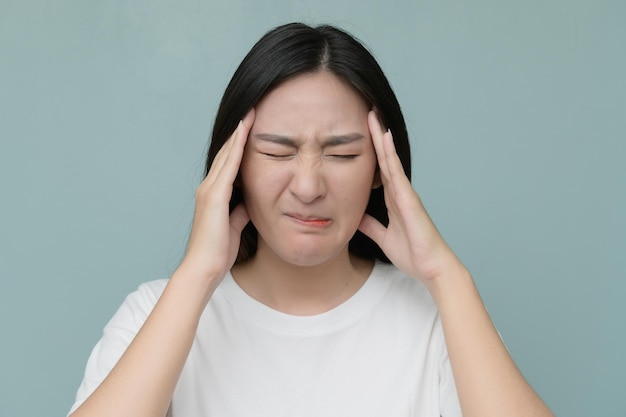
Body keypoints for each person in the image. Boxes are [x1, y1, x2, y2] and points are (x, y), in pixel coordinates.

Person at [68, 23, 555, 417]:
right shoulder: (153, 313)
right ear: (233, 167)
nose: (308, 186)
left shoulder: (441, 322)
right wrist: (197, 275)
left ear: (383, 171)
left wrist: (448, 278)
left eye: (342, 154)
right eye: (277, 151)